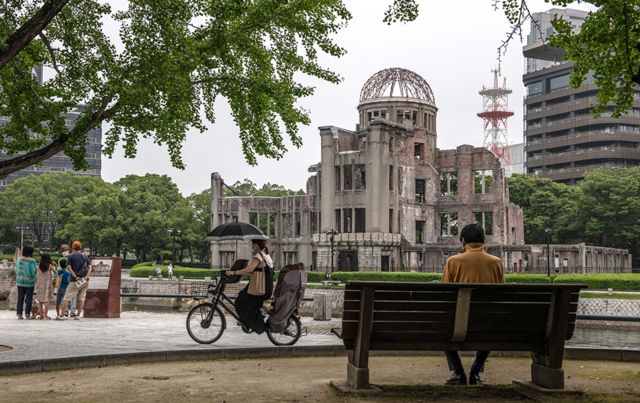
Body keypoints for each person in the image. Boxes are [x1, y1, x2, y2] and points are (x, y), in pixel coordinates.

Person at [441, 223, 505, 386]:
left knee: (442, 330)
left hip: (458, 323)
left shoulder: (453, 261)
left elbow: (445, 292)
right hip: (487, 323)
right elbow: (501, 292)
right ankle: (475, 372)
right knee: (489, 324)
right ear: (484, 241)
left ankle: (458, 372)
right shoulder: (496, 262)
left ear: (462, 241)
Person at [226, 239, 273, 334]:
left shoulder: (259, 256)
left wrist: (233, 272)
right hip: (266, 287)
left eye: (254, 245)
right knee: (245, 298)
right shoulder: (266, 255)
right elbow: (253, 270)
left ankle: (254, 324)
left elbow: (250, 269)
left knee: (240, 301)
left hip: (260, 289)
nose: (253, 247)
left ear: (259, 245)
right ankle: (250, 323)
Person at [60, 241, 92, 320]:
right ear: (80, 247)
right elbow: (90, 267)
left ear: (73, 247)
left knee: (67, 297)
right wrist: (87, 276)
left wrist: (75, 276)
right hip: (84, 281)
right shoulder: (85, 256)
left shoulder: (71, 256)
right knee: (82, 297)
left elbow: (69, 267)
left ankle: (61, 315)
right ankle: (77, 315)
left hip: (75, 280)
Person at [15, 245, 37, 320]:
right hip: (30, 282)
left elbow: (16, 269)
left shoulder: (19, 260)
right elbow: (34, 271)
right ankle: (27, 314)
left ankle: (19, 314)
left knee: (20, 298)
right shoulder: (32, 261)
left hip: (20, 281)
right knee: (28, 298)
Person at [35, 254, 56, 320]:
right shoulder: (49, 266)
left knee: (40, 300)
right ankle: (45, 315)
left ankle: (41, 315)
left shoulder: (39, 266)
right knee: (46, 300)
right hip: (47, 285)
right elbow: (56, 272)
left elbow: (37, 275)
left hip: (40, 284)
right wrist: (55, 266)